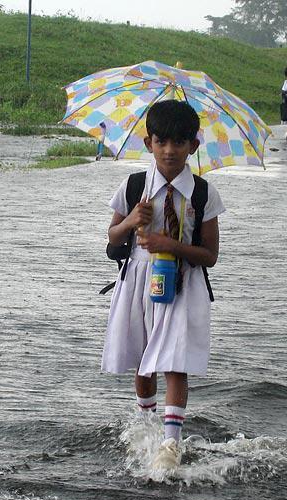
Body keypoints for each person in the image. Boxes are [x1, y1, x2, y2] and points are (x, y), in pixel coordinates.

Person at [101, 100, 225, 473]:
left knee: (174, 359)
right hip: (139, 279)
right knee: (143, 359)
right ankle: (146, 423)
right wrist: (131, 222)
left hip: (183, 282)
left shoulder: (203, 194)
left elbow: (210, 254)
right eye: (161, 142)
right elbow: (111, 240)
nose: (170, 150)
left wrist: (172, 246)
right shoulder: (134, 186)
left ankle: (171, 442)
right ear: (148, 142)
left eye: (179, 142)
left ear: (194, 145)